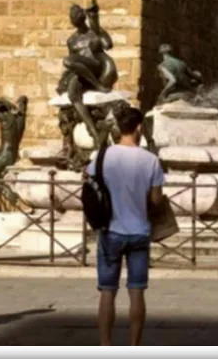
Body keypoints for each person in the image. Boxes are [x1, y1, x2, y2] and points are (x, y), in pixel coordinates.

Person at [86, 106, 165, 347]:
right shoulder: (151, 160)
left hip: (110, 231)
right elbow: (156, 200)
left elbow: (90, 185)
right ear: (139, 127)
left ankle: (105, 343)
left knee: (107, 291)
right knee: (137, 291)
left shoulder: (101, 157)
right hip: (139, 232)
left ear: (118, 128)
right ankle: (134, 344)